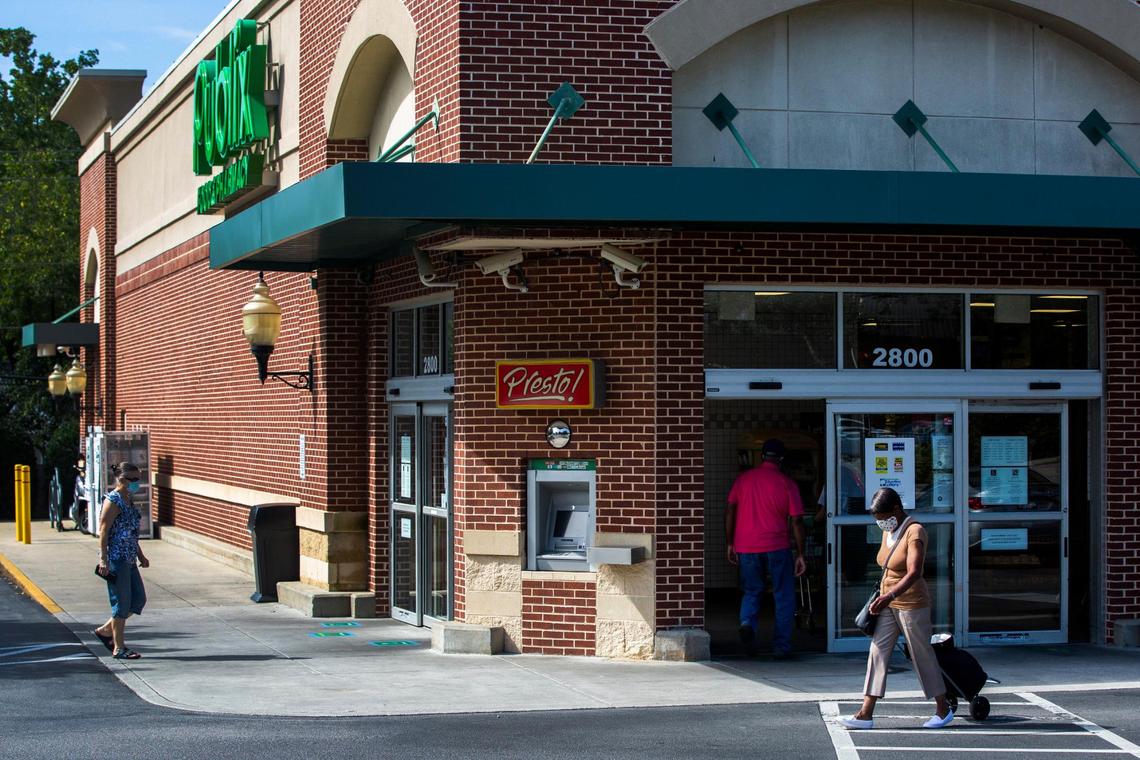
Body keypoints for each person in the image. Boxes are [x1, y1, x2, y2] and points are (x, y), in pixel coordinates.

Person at [840, 487, 953, 730]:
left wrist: (890, 594)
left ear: (896, 509)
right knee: (877, 652)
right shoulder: (888, 530)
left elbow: (914, 572)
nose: (881, 522)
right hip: (887, 601)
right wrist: (885, 597)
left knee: (921, 654)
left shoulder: (915, 531)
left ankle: (943, 709)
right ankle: (865, 713)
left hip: (911, 602)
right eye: (877, 518)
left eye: (883, 517)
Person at [726, 438, 807, 659]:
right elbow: (797, 521)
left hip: (746, 546)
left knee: (752, 591)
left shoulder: (743, 480)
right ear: (781, 459)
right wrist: (801, 554)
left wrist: (730, 542)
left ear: (762, 456)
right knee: (783, 595)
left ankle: (747, 624)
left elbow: (730, 510)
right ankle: (781, 646)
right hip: (777, 546)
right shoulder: (787, 483)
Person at [93, 462, 150, 660]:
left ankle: (105, 630)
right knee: (122, 603)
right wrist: (103, 559)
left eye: (138, 479)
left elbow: (130, 533)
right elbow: (103, 531)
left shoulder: (128, 499)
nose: (136, 483)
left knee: (138, 599)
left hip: (129, 558)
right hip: (116, 559)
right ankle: (119, 647)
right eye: (133, 479)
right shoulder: (113, 501)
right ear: (121, 479)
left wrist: (140, 555)